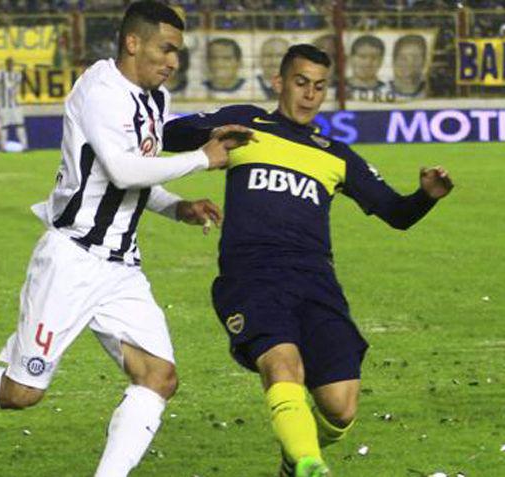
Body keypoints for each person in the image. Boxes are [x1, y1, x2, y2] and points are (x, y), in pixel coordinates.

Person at [0, 3, 250, 476]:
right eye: (166, 49)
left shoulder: (154, 99)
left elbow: (132, 179)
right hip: (71, 259)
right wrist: (202, 158)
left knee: (159, 377)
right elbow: (121, 168)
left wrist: (177, 207)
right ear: (133, 43)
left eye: (178, 51)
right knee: (22, 393)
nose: (174, 61)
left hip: (120, 269)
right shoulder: (100, 89)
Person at [163, 44, 453, 477]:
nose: (310, 94)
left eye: (319, 87)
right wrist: (207, 136)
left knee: (340, 407)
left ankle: (293, 457)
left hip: (316, 281)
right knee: (282, 365)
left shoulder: (335, 153)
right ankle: (309, 465)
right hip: (252, 276)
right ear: (279, 83)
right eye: (301, 83)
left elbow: (396, 213)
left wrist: (426, 197)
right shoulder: (247, 122)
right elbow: (166, 135)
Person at [0, 57, 28, 151]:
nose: (10, 65)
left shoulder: (17, 75)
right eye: (9, 63)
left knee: (20, 124)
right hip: (3, 104)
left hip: (15, 104)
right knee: (4, 126)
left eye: (11, 63)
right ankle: (3, 147)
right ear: (6, 64)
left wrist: (16, 96)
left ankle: (25, 146)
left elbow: (16, 88)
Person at [346, 34, 386, 100]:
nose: (368, 63)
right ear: (351, 59)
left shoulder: (389, 91)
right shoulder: (335, 90)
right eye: (362, 56)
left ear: (381, 61)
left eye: (374, 57)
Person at [389, 34, 427, 100]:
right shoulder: (379, 92)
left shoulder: (433, 93)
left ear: (424, 62)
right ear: (394, 61)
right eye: (403, 58)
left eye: (415, 58)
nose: (410, 64)